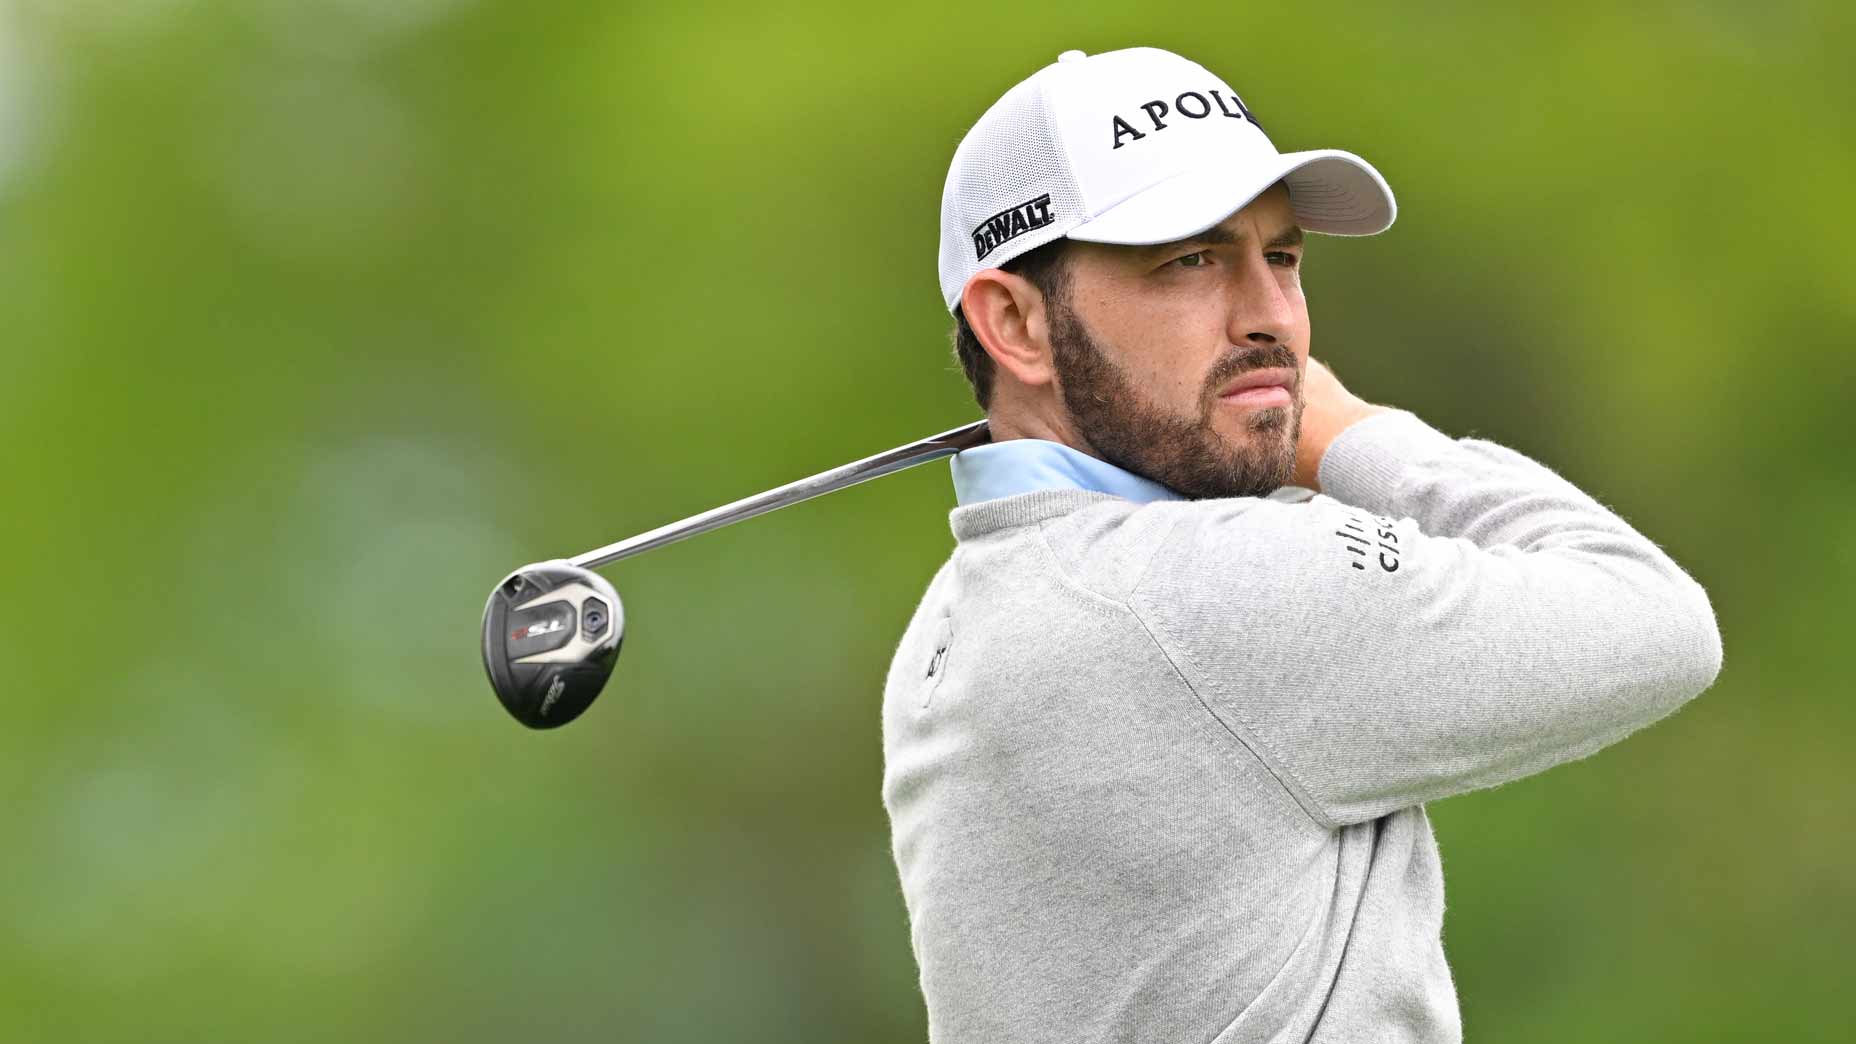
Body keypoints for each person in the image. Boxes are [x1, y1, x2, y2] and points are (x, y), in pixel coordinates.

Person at [880, 47, 1722, 1043]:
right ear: (1015, 323)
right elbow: (1654, 616)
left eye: (1280, 258)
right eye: (1189, 261)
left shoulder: (946, 630)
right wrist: (1355, 435)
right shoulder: (1207, 587)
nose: (1272, 320)